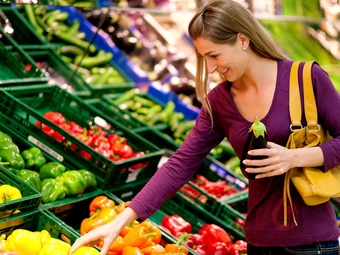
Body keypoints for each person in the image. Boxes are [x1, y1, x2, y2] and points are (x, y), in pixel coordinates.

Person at [70, 0, 340, 254]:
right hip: (258, 241)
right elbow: (181, 164)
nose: (210, 68)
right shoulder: (221, 101)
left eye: (214, 55)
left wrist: (294, 157)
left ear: (242, 40)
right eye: (204, 58)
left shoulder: (307, 78)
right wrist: (120, 221)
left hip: (312, 243)